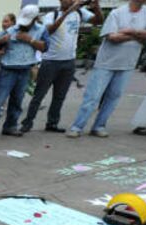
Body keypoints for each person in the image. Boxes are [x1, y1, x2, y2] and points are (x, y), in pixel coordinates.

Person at [67, 0, 146, 138]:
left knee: (113, 97)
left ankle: (99, 126)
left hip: (128, 63)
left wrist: (131, 31)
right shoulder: (117, 12)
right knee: (93, 97)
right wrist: (139, 36)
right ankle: (77, 127)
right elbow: (112, 37)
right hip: (106, 63)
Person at [20, 0, 103, 133]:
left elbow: (98, 21)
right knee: (39, 95)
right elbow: (49, 31)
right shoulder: (51, 15)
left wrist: (97, 7)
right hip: (50, 61)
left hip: (69, 62)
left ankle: (52, 123)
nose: (69, 1)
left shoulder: (80, 12)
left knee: (59, 96)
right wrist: (68, 12)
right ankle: (27, 122)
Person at [0, 4, 49, 138]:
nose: (24, 26)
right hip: (8, 69)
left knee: (17, 101)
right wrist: (0, 42)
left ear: (35, 19)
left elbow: (45, 47)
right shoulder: (11, 30)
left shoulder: (41, 30)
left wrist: (30, 40)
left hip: (25, 70)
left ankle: (11, 126)